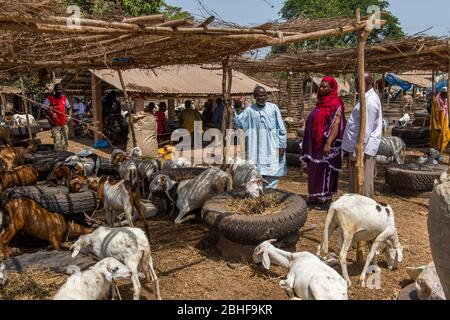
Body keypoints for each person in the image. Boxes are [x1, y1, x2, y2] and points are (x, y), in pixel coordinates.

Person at [300, 76, 346, 207]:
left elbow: (336, 124)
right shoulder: (320, 102)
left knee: (325, 169)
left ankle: (324, 196)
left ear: (332, 88)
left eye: (324, 87)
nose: (321, 88)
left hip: (326, 144)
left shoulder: (336, 103)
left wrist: (328, 144)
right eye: (321, 86)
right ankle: (315, 196)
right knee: (315, 169)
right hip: (316, 144)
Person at [234, 86, 287, 188]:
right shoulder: (249, 111)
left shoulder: (273, 108)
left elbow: (281, 128)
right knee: (257, 173)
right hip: (256, 148)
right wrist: (231, 110)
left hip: (272, 146)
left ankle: (270, 193)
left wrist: (281, 145)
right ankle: (260, 195)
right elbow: (238, 122)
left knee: (273, 172)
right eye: (259, 96)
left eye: (263, 95)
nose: (261, 98)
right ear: (254, 97)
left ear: (266, 96)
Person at [342, 73, 382, 198]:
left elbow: (366, 130)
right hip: (358, 147)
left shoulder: (369, 102)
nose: (355, 85)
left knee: (362, 180)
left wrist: (357, 152)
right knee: (356, 180)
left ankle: (365, 207)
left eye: (358, 82)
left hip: (362, 149)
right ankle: (356, 205)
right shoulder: (366, 98)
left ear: (367, 83)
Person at [43, 83, 70, 150]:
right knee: (57, 142)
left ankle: (65, 154)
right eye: (58, 89)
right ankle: (58, 156)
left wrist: (69, 116)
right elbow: (44, 110)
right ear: (55, 90)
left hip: (64, 123)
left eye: (60, 89)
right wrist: (49, 120)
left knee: (65, 141)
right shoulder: (49, 99)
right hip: (55, 124)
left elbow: (69, 107)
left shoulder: (64, 98)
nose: (59, 91)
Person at [430, 87, 450, 153]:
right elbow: (434, 114)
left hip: (445, 121)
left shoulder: (447, 100)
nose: (446, 95)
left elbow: (446, 112)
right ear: (441, 93)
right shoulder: (436, 101)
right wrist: (437, 125)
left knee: (446, 136)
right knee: (437, 139)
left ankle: (440, 151)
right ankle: (435, 152)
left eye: (447, 93)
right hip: (438, 122)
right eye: (445, 93)